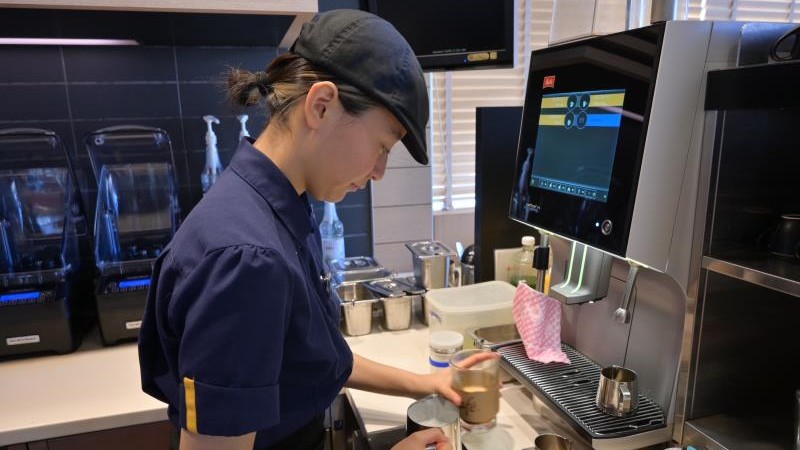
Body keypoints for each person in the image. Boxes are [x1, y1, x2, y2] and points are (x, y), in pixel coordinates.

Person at [138, 9, 493, 450]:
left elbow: (309, 357)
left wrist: (421, 383)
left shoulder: (276, 204)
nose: (380, 171)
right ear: (321, 106)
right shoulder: (248, 260)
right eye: (382, 146)